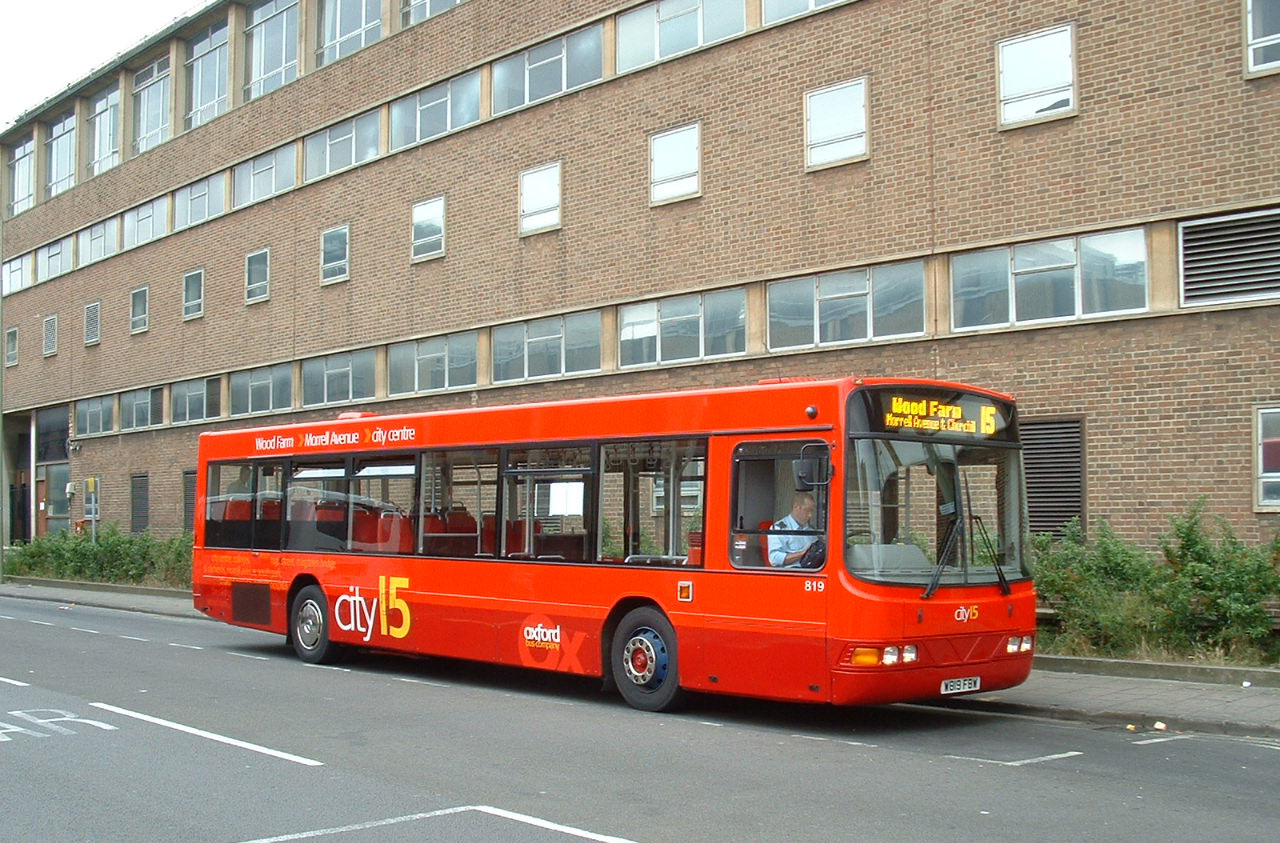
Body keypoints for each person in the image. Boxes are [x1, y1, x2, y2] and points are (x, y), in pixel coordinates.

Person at [768, 491, 822, 567]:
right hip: (792, 573)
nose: (810, 515)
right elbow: (775, 559)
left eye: (812, 511)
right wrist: (803, 554)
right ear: (796, 507)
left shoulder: (811, 530)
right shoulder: (779, 529)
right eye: (807, 510)